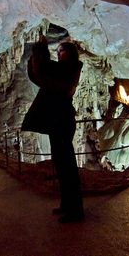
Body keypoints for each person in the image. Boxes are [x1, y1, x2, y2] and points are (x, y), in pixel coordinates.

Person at [21, 32, 84, 223]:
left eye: (61, 51)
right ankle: (67, 204)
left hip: (62, 122)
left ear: (70, 53)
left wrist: (41, 48)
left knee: (67, 167)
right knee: (61, 166)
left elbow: (45, 70)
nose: (58, 54)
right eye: (57, 51)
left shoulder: (70, 69)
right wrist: (37, 55)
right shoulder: (63, 71)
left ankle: (76, 211)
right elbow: (38, 75)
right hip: (57, 122)